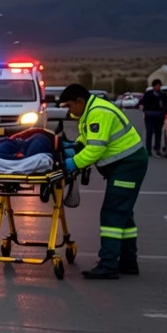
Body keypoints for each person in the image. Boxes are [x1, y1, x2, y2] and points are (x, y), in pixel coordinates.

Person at [60, 84, 147, 280]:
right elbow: (88, 141)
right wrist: (72, 147)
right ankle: (128, 262)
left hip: (128, 166)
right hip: (127, 164)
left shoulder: (98, 112)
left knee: (112, 214)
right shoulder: (92, 110)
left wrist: (71, 163)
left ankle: (108, 264)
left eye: (69, 106)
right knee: (124, 214)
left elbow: (95, 150)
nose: (68, 110)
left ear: (79, 101)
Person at [138, 80, 167, 156]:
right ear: (154, 86)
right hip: (149, 115)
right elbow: (141, 102)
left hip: (159, 116)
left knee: (158, 133)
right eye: (157, 85)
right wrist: (142, 107)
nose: (158, 87)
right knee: (149, 132)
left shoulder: (163, 95)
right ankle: (148, 150)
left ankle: (157, 149)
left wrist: (164, 108)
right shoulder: (148, 94)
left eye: (159, 85)